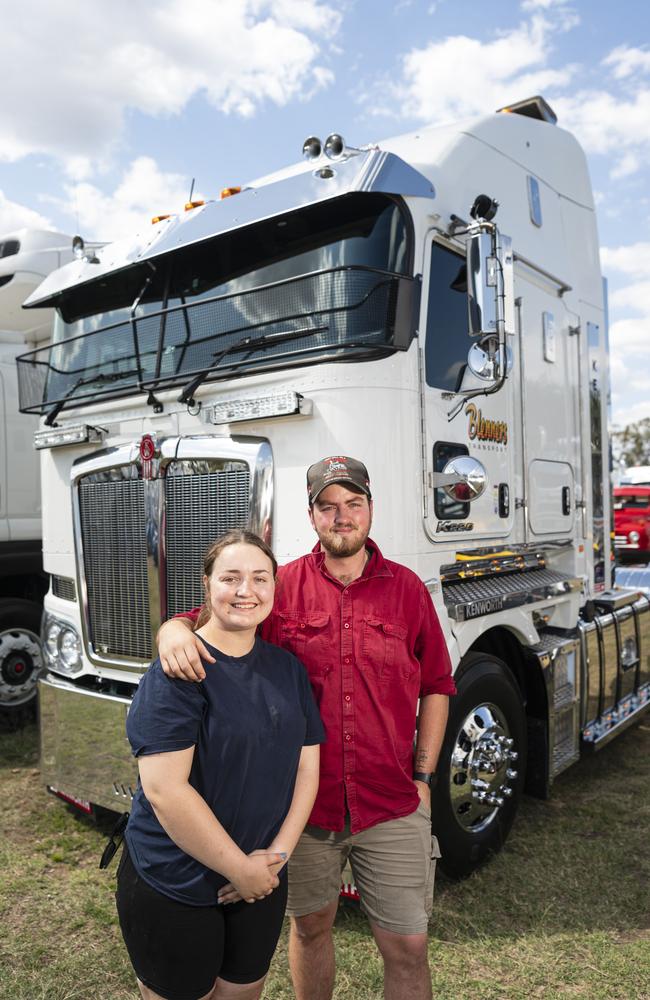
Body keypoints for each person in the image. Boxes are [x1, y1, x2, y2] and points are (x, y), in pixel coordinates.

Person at [158, 458, 456, 1000]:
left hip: (390, 803)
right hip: (303, 811)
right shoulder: (280, 587)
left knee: (409, 948)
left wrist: (424, 777)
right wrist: (171, 631)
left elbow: (437, 683)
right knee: (309, 928)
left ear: (370, 509)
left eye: (353, 504)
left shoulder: (408, 590)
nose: (342, 517)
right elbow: (213, 621)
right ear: (312, 515)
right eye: (328, 506)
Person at [116, 530, 324, 1000]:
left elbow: (306, 770)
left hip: (261, 876)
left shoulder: (286, 669)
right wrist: (238, 868)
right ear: (207, 586)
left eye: (259, 578)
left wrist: (274, 861)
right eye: (230, 578)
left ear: (274, 587)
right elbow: (166, 791)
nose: (245, 591)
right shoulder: (180, 671)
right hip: (176, 879)